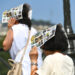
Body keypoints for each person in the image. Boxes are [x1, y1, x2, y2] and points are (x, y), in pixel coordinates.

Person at [3, 4, 42, 75]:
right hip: (36, 67)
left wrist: (9, 29)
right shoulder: (34, 30)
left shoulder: (14, 29)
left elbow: (5, 46)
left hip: (22, 68)